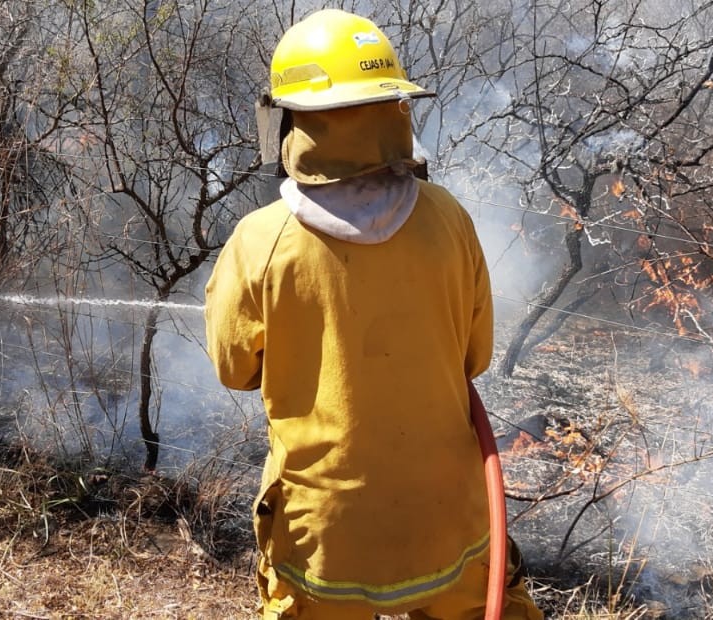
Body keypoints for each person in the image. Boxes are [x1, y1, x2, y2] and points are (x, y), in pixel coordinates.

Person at [204, 9, 543, 620]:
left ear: (291, 119)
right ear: (393, 108)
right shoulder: (448, 216)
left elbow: (235, 369)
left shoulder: (261, 240)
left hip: (326, 540)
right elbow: (475, 356)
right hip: (448, 520)